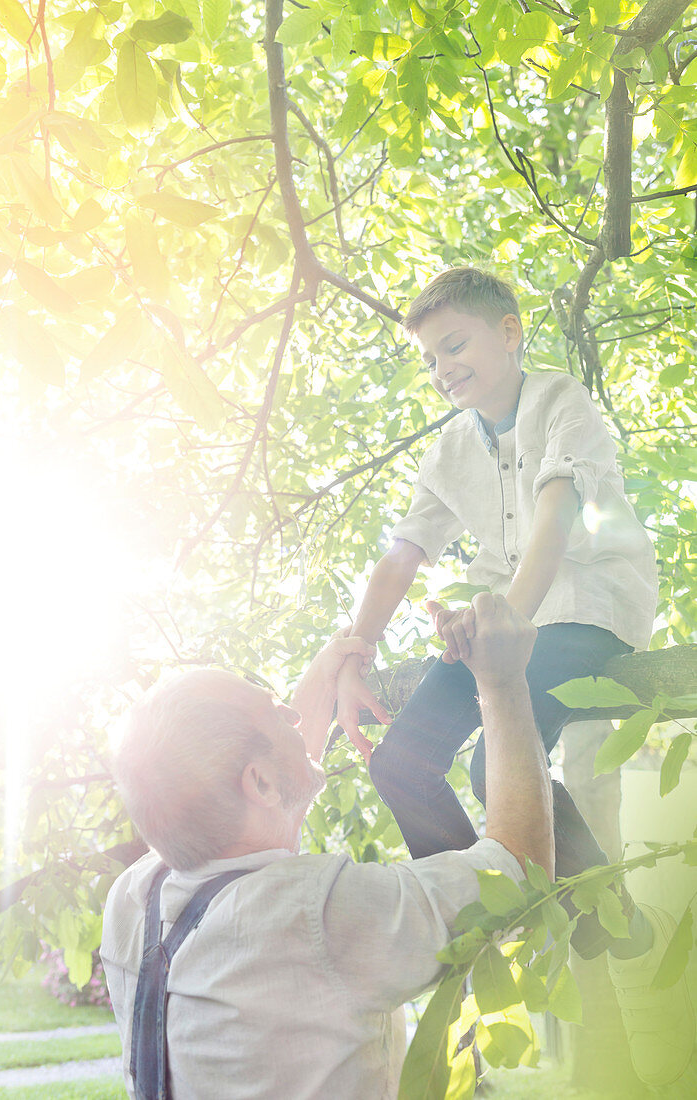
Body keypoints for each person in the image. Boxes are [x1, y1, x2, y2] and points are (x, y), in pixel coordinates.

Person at [335, 266, 693, 1087]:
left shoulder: (558, 398)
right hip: (501, 620)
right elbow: (403, 551)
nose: (441, 369)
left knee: (486, 761)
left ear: (508, 331)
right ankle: (500, 909)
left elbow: (558, 516)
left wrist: (507, 625)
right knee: (399, 762)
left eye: (453, 345)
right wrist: (356, 643)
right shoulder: (451, 446)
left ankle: (611, 918)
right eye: (428, 358)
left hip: (583, 613)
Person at [101, 596, 555, 1099]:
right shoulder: (313, 912)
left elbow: (255, 806)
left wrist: (326, 672)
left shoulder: (134, 898)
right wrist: (503, 682)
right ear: (260, 782)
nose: (295, 715)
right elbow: (516, 872)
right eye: (277, 713)